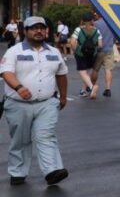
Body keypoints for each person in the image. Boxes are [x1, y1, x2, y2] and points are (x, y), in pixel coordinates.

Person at [1, 16, 69, 186]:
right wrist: (19, 88)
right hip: (18, 104)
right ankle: (18, 171)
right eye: (34, 28)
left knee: (46, 136)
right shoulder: (14, 51)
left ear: (46, 31)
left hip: (46, 103)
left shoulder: (54, 52)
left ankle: (52, 170)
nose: (38, 31)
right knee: (20, 140)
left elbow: (61, 74)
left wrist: (62, 96)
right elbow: (6, 73)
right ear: (25, 31)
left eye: (42, 28)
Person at [70, 13, 103, 99]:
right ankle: (83, 91)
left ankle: (92, 87)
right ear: (92, 20)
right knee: (86, 72)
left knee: (82, 72)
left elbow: (72, 42)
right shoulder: (97, 31)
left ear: (83, 21)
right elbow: (100, 45)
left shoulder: (78, 30)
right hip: (92, 54)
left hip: (81, 53)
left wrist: (75, 50)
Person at [91, 11, 116, 97]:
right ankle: (108, 89)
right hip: (109, 49)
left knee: (95, 69)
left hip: (99, 49)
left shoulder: (95, 24)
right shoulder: (110, 23)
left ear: (97, 14)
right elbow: (114, 37)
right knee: (108, 69)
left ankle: (92, 87)